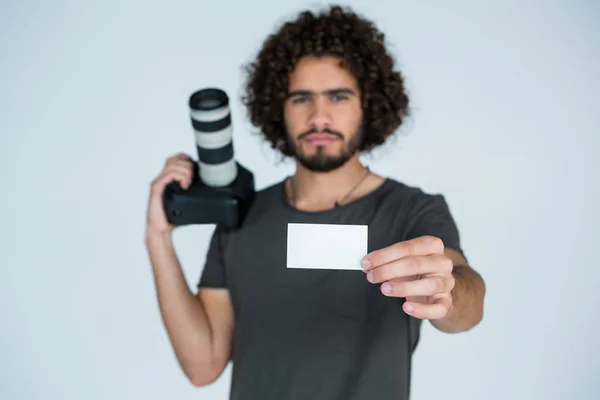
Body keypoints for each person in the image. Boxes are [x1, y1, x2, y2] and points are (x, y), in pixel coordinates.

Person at [145, 5, 486, 400]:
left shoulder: (411, 211)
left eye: (338, 97)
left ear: (368, 105)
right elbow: (202, 366)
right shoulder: (243, 214)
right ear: (278, 108)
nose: (319, 116)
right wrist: (158, 238)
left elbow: (468, 305)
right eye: (301, 99)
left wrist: (448, 292)